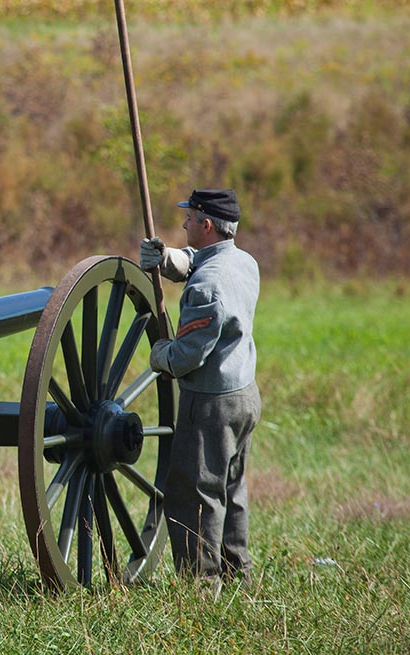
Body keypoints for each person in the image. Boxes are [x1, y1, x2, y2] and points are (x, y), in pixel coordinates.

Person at [140, 188, 261, 593]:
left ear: (206, 224)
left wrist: (160, 354)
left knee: (195, 494)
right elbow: (198, 261)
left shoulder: (207, 286)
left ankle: (201, 588)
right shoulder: (244, 262)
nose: (183, 223)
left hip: (211, 405)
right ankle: (237, 574)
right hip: (245, 395)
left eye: (190, 218)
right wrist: (167, 259)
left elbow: (187, 356)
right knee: (231, 488)